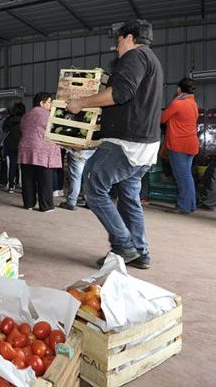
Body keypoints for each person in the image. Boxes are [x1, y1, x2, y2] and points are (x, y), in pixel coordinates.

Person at [66, 19, 164, 269]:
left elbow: (120, 93)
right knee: (129, 197)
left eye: (119, 40)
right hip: (145, 144)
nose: (117, 45)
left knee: (93, 186)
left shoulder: (134, 56)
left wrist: (81, 103)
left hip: (126, 142)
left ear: (129, 38)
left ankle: (123, 245)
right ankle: (140, 253)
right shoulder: (151, 60)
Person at [160, 78, 200, 214]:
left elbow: (162, 118)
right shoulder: (193, 103)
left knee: (182, 177)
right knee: (187, 175)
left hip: (179, 145)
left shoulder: (178, 103)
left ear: (179, 89)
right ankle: (191, 204)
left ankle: (183, 206)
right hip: (191, 144)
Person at [18, 92, 62, 212]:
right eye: (49, 102)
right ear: (42, 103)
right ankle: (46, 206)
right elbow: (57, 131)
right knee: (45, 179)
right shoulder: (48, 115)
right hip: (42, 150)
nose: (51, 104)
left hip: (26, 149)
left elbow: (22, 129)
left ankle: (29, 204)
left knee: (28, 178)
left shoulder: (26, 115)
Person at [3, 102, 25, 193]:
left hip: (10, 145)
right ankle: (22, 185)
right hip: (22, 145)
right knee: (23, 167)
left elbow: (4, 130)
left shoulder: (8, 119)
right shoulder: (25, 120)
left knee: (11, 166)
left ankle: (11, 186)